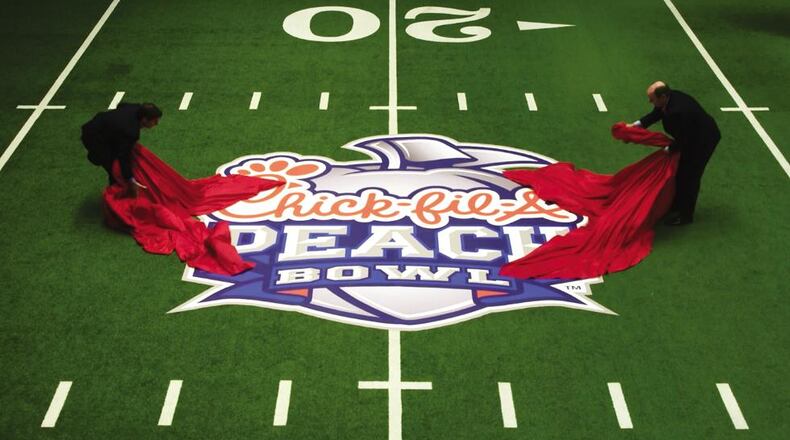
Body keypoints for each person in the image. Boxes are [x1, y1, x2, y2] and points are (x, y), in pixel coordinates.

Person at [629, 81, 720, 225]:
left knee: (691, 176)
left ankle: (685, 216)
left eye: (652, 99)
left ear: (663, 96)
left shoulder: (679, 110)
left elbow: (687, 137)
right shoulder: (669, 100)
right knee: (680, 172)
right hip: (691, 137)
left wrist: (669, 149)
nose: (650, 101)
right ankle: (677, 205)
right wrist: (636, 126)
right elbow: (656, 113)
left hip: (702, 142)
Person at [81, 102, 162, 197]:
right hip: (94, 137)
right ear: (144, 119)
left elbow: (121, 105)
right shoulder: (131, 132)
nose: (156, 123)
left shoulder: (135, 108)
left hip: (101, 125)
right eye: (154, 121)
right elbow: (124, 158)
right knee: (113, 169)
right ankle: (115, 198)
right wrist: (130, 179)